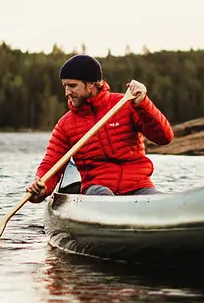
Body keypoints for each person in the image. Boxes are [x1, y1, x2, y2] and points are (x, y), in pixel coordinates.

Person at [26, 54, 174, 202]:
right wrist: (41, 188)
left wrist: (143, 104)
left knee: (161, 200)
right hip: (96, 189)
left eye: (72, 86)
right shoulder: (65, 125)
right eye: (65, 86)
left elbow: (164, 137)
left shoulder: (126, 105)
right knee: (103, 195)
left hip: (139, 186)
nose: (67, 93)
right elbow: (51, 164)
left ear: (91, 84)